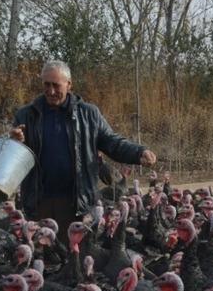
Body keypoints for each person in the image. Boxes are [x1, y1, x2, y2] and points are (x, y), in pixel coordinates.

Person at [10, 60, 156, 238]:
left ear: (69, 84)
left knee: (75, 255)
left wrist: (138, 152)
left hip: (77, 201)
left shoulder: (88, 114)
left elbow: (111, 141)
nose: (51, 91)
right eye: (46, 85)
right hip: (40, 202)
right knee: (43, 256)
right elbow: (13, 156)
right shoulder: (26, 115)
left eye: (56, 85)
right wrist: (15, 141)